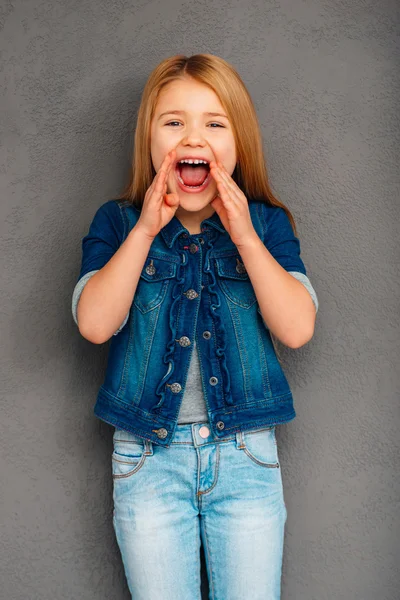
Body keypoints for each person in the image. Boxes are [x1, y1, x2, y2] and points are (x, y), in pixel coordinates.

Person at [71, 53, 319, 600]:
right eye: (174, 121)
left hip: (247, 457)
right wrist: (144, 230)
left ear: (238, 143)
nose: (194, 137)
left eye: (214, 123)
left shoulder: (266, 224)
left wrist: (246, 237)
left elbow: (298, 328)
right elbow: (94, 323)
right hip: (147, 462)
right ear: (151, 141)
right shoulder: (117, 222)